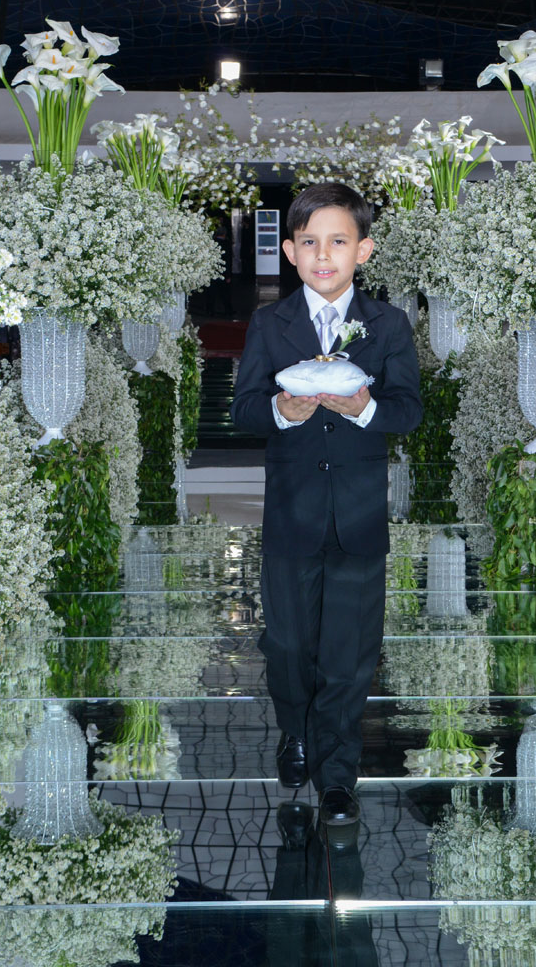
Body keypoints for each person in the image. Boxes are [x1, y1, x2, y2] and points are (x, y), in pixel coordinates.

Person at [230, 182, 422, 829]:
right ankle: (297, 734)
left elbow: (409, 410)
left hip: (360, 516)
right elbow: (244, 407)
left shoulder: (389, 324)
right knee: (286, 644)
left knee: (349, 653)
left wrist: (364, 408)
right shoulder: (269, 324)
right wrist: (282, 413)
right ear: (289, 250)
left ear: (363, 250)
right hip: (291, 514)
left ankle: (338, 776)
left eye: (338, 241)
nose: (323, 254)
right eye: (309, 242)